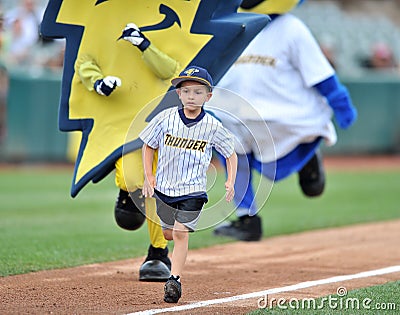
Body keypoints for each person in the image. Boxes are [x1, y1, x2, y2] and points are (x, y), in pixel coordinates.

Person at [213, 0, 357, 241]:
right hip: (235, 115)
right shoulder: (231, 25)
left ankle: (307, 157)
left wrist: (341, 105)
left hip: (283, 115)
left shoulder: (292, 28)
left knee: (281, 152)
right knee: (232, 157)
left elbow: (321, 74)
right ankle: (248, 220)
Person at [74, 23, 181, 281]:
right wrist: (97, 81)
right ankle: (127, 191)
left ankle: (158, 252)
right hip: (121, 123)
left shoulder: (170, 25)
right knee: (137, 180)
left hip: (160, 120)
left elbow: (171, 70)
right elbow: (82, 60)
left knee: (157, 184)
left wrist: (144, 45)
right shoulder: (98, 21)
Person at [140, 65, 237, 303]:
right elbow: (148, 145)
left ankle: (174, 280)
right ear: (179, 94)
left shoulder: (212, 126)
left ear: (208, 96)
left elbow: (230, 153)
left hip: (193, 190)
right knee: (168, 233)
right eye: (186, 91)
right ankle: (173, 257)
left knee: (181, 233)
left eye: (197, 92)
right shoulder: (166, 118)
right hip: (164, 187)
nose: (191, 96)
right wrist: (148, 176)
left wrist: (230, 180)